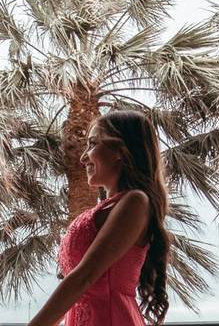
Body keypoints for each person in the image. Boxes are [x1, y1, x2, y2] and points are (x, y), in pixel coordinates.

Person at [28, 110, 173, 326]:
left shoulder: (135, 202)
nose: (83, 156)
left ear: (120, 152)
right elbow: (77, 283)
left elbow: (85, 276)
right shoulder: (115, 206)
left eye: (93, 144)